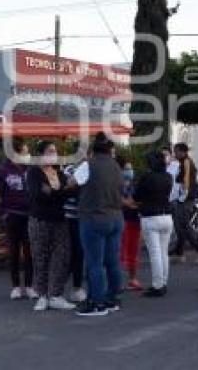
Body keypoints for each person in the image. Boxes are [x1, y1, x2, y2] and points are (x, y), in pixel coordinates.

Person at [76, 133, 125, 317]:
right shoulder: (116, 166)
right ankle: (113, 298)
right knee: (112, 261)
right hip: (116, 217)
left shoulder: (88, 165)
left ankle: (97, 302)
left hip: (94, 218)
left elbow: (72, 183)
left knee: (94, 262)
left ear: (92, 151)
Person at [27, 141, 73, 311]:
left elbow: (68, 194)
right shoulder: (33, 173)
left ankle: (56, 294)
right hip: (39, 220)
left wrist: (55, 193)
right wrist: (60, 193)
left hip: (59, 220)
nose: (54, 154)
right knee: (40, 258)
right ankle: (42, 295)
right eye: (50, 151)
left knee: (61, 257)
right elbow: (38, 194)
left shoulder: (59, 174)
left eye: (55, 151)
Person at [0, 139, 35, 300]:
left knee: (29, 251)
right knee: (14, 252)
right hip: (12, 216)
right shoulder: (3, 170)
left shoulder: (30, 169)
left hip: (29, 216)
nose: (28, 154)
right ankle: (16, 286)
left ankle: (30, 286)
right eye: (25, 151)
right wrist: (3, 214)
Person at [133, 150, 174, 297]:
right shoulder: (169, 177)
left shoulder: (147, 177)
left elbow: (136, 196)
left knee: (155, 253)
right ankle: (163, 282)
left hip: (150, 216)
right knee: (164, 252)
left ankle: (157, 285)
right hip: (167, 216)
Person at [170, 143, 198, 261]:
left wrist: (183, 194)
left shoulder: (186, 161)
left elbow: (186, 179)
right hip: (184, 196)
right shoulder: (183, 162)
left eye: (176, 151)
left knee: (183, 223)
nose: (174, 154)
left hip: (187, 196)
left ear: (182, 152)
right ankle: (179, 250)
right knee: (179, 223)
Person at [63, 157, 86, 303]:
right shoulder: (69, 171)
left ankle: (76, 287)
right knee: (74, 254)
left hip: (81, 217)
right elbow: (68, 190)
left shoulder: (89, 170)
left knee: (78, 254)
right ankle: (61, 286)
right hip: (71, 217)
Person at [118, 158, 142, 291]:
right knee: (120, 251)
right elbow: (114, 198)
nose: (129, 171)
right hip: (121, 218)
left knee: (133, 250)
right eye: (126, 169)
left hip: (134, 219)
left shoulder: (135, 184)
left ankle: (133, 279)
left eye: (130, 168)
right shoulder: (116, 184)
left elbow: (140, 199)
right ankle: (119, 280)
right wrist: (127, 203)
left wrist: (133, 203)